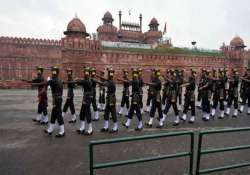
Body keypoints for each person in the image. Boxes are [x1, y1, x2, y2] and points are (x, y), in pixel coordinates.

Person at [97, 68, 118, 133]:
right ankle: (106, 127)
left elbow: (104, 84)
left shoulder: (111, 82)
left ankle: (115, 127)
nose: (108, 75)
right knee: (106, 113)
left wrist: (95, 80)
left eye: (109, 74)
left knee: (113, 113)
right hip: (109, 99)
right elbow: (105, 80)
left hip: (111, 99)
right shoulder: (110, 80)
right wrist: (98, 76)